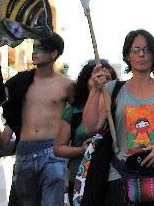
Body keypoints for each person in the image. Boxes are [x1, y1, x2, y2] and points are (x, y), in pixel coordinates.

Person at [83, 29, 154, 205]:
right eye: (136, 50)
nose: (142, 54)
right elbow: (91, 126)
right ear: (128, 55)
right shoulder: (113, 89)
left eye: (147, 49)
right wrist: (96, 90)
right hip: (122, 177)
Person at [0, 34, 74, 206]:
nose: (34, 52)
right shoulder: (20, 82)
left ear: (54, 53)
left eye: (40, 48)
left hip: (52, 151)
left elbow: (77, 117)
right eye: (33, 47)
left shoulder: (66, 85)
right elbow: (0, 94)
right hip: (25, 151)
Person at [54, 59, 117, 205]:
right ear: (87, 80)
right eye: (98, 76)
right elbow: (58, 148)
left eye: (108, 78)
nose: (103, 81)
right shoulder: (74, 111)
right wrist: (81, 150)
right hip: (80, 180)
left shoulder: (117, 109)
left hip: (110, 176)